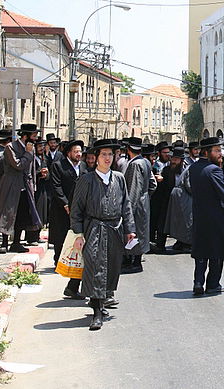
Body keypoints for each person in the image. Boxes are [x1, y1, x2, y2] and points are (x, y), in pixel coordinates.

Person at [70, 138, 136, 330]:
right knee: (94, 267)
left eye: (110, 154)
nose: (107, 158)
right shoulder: (86, 180)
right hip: (94, 229)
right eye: (104, 155)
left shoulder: (119, 178)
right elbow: (76, 209)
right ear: (96, 158)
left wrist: (130, 229)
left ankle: (102, 301)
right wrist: (79, 233)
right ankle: (96, 312)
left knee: (110, 268)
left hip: (115, 229)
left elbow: (126, 205)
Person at [189, 137, 224, 295]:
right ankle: (213, 284)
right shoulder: (213, 170)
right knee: (217, 252)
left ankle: (198, 282)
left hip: (199, 216)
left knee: (201, 251)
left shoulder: (194, 168)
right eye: (217, 151)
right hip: (215, 218)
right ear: (206, 152)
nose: (220, 154)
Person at [0, 123, 42, 253]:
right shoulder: (11, 147)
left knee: (22, 215)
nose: (35, 138)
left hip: (25, 187)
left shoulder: (30, 148)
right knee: (8, 214)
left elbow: (31, 168)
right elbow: (18, 165)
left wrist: (33, 185)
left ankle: (16, 242)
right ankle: (4, 243)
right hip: (11, 185)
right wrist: (27, 153)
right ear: (25, 136)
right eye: (33, 136)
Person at [49, 139, 85, 300]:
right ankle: (59, 261)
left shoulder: (83, 167)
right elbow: (56, 186)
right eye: (76, 151)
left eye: (80, 152)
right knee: (60, 235)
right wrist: (65, 204)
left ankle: (73, 275)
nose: (78, 154)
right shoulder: (58, 165)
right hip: (61, 208)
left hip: (79, 210)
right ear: (69, 153)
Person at [123, 137, 155, 273]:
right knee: (140, 231)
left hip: (136, 204)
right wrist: (146, 196)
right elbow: (153, 184)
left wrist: (129, 209)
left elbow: (133, 190)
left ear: (129, 150)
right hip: (144, 201)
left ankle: (135, 262)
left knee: (134, 231)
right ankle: (133, 260)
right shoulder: (146, 162)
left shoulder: (135, 165)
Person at [151, 147, 185, 253]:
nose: (173, 161)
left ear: (181, 160)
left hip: (180, 202)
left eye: (176, 159)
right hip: (166, 202)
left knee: (181, 223)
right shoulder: (166, 170)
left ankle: (181, 243)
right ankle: (160, 244)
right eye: (172, 159)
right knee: (163, 223)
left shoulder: (185, 171)